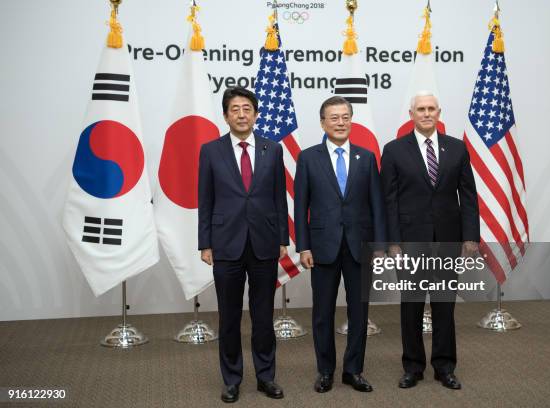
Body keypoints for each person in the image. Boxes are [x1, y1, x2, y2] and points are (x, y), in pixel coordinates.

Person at [380, 91, 479, 391]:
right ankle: (412, 367)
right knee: (411, 306)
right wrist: (393, 243)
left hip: (447, 241)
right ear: (411, 114)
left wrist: (470, 237)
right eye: (420, 109)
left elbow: (469, 196)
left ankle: (445, 366)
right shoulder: (394, 150)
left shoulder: (457, 149)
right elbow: (389, 201)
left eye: (431, 109)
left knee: (444, 307)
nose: (426, 113)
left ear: (439, 112)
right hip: (410, 243)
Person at [198, 87, 289, 403]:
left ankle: (266, 377)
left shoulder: (272, 149)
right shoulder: (211, 151)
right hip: (225, 244)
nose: (241, 114)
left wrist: (282, 238)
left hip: (264, 243)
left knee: (264, 316)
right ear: (226, 115)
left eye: (247, 108)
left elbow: (279, 197)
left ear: (256, 113)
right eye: (234, 109)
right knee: (230, 316)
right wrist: (205, 242)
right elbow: (205, 200)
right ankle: (232, 379)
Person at [294, 96, 386, 393]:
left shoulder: (367, 157)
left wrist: (379, 245)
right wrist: (303, 246)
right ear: (323, 122)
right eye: (334, 117)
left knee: (359, 312)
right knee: (322, 313)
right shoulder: (308, 158)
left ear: (351, 120)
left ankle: (353, 370)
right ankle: (325, 371)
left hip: (360, 246)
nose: (340, 122)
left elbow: (377, 205)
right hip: (322, 247)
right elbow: (301, 206)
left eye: (345, 116)